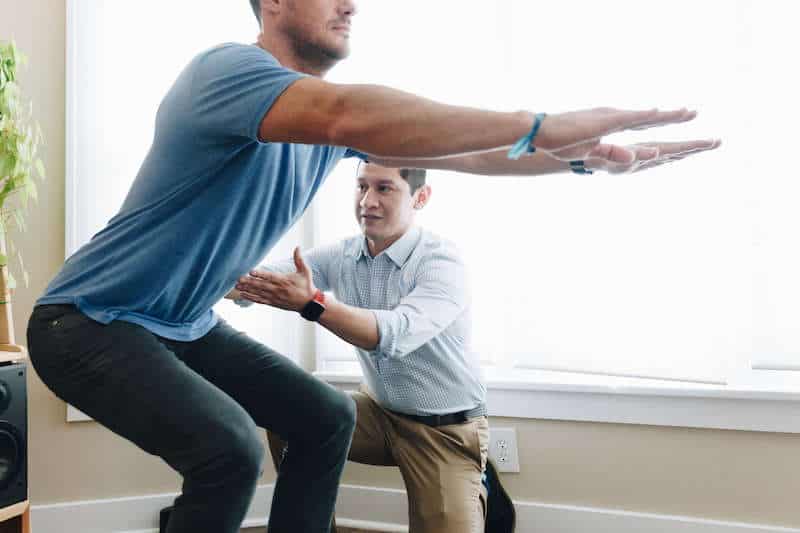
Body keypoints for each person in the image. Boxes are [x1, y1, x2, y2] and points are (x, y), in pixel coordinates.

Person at [25, 0, 720, 531]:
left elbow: (467, 156)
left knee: (324, 416)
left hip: (179, 323)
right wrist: (538, 122)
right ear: (270, 4)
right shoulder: (227, 73)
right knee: (231, 451)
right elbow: (343, 113)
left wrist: (577, 158)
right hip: (85, 321)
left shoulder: (328, 130)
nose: (351, 2)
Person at [233, 161, 514, 532]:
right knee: (289, 413)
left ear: (420, 197)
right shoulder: (344, 255)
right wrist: (200, 277)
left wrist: (311, 302)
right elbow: (258, 280)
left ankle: (477, 482)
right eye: (361, 186)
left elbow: (391, 335)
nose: (367, 201)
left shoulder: (441, 262)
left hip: (443, 431)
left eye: (384, 189)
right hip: (379, 415)